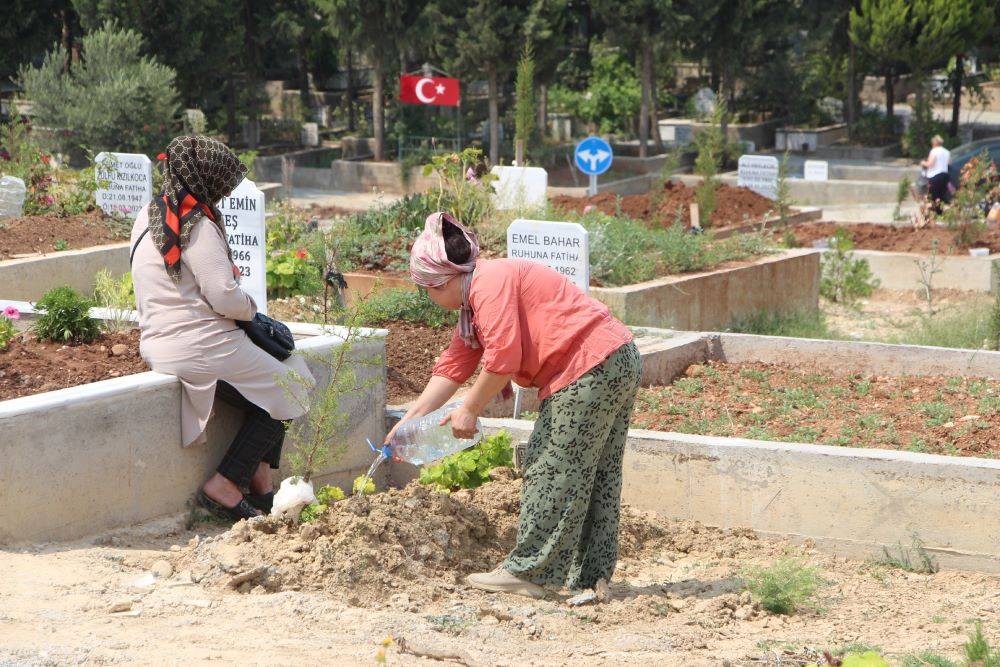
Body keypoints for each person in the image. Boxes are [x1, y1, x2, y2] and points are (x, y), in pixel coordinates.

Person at [387, 212, 642, 598]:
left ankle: (529, 573)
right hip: (614, 357)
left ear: (445, 278)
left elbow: (504, 357)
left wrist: (469, 409)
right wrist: (409, 422)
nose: (428, 297)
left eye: (427, 289)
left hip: (589, 366)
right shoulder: (476, 301)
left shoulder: (488, 285)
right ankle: (591, 576)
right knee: (594, 472)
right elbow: (454, 367)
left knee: (551, 467)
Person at [130, 136, 313, 522]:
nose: (226, 191)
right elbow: (225, 298)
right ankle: (227, 483)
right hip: (204, 344)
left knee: (275, 386)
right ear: (207, 180)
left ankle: (261, 477)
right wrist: (251, 309)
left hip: (160, 343)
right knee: (294, 385)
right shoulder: (197, 226)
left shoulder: (149, 215)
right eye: (223, 183)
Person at [921, 135, 951, 213]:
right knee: (941, 196)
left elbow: (930, 164)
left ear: (934, 143)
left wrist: (923, 163)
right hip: (945, 175)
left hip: (935, 176)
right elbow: (949, 163)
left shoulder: (934, 151)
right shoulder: (947, 151)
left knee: (933, 197)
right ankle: (940, 213)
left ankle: (932, 214)